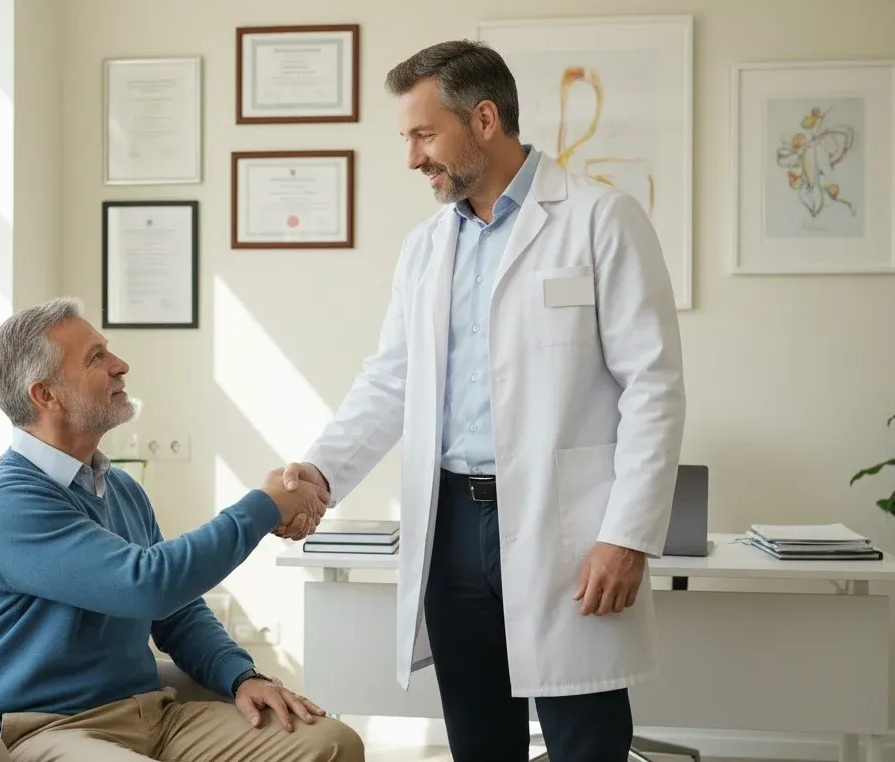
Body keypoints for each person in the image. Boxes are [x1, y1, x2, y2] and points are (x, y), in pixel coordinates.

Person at [279, 40, 686, 761]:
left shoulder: (601, 220)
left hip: (566, 529)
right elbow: (391, 378)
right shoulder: (426, 247)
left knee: (585, 741)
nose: (412, 158)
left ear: (486, 119)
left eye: (423, 134)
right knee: (479, 740)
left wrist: (627, 536)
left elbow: (653, 387)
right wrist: (322, 471)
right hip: (452, 530)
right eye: (406, 138)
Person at [0, 297, 365, 762]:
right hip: (48, 729)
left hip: (153, 715)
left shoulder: (121, 488)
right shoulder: (5, 499)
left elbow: (176, 611)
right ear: (45, 394)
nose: (120, 365)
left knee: (331, 744)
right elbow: (148, 584)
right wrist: (266, 506)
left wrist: (242, 675)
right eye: (96, 357)